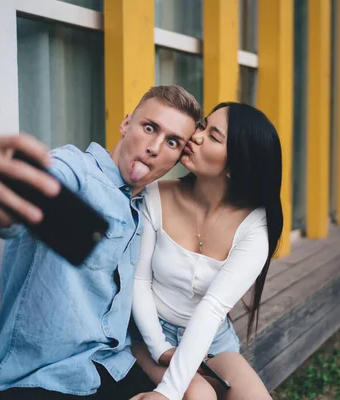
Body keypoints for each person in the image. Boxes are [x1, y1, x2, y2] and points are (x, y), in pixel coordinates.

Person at [0, 85, 201, 400]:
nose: (154, 147)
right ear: (126, 124)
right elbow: (34, 193)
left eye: (172, 142)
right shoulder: (77, 170)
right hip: (42, 378)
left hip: (112, 364)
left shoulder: (146, 209)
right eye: (149, 127)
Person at [129, 102, 283, 400]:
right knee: (200, 397)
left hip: (212, 339)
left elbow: (213, 308)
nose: (195, 136)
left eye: (213, 136)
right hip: (149, 334)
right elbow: (139, 281)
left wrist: (170, 390)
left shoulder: (254, 227)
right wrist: (160, 351)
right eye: (203, 126)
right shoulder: (156, 194)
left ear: (237, 165)